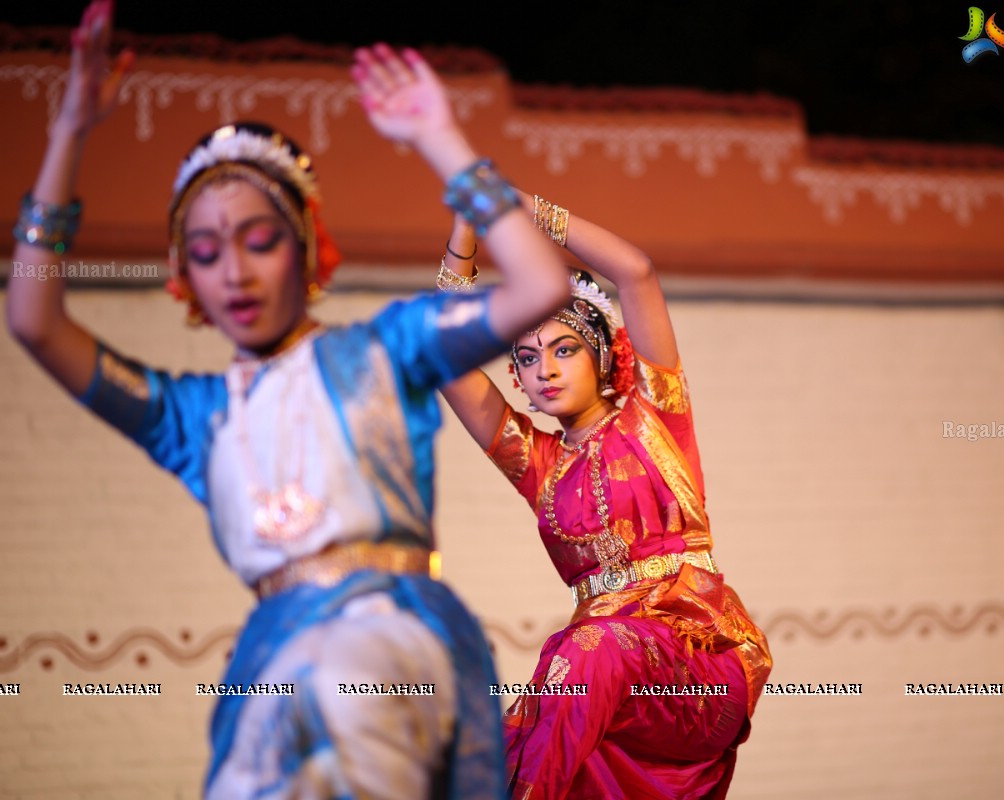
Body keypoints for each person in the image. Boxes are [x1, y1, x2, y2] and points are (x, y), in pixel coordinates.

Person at [6, 2, 570, 797]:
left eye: (258, 239)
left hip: (389, 645)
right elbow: (32, 321)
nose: (233, 271)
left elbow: (541, 283)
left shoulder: (387, 349)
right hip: (270, 665)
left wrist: (441, 142)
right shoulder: (192, 419)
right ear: (185, 276)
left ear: (305, 244)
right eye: (204, 251)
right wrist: (67, 133)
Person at [435, 195, 773, 798]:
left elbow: (635, 272)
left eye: (564, 349)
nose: (546, 370)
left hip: (699, 668)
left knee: (585, 650)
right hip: (607, 692)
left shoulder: (655, 417)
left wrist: (520, 209)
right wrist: (464, 234)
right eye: (527, 358)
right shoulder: (537, 465)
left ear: (600, 355)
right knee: (484, 747)